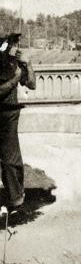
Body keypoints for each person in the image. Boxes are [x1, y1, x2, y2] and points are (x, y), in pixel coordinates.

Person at [0, 33, 35, 212]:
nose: (16, 47)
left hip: (10, 113)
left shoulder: (16, 63)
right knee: (8, 158)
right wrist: (15, 79)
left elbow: (32, 85)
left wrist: (28, 65)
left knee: (10, 159)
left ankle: (15, 198)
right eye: (13, 43)